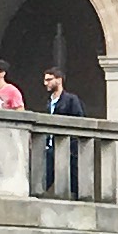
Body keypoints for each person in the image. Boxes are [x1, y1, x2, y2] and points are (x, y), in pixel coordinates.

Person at [37, 66, 86, 194]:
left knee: (72, 176)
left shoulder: (71, 99)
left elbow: (79, 119)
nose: (45, 83)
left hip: (68, 146)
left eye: (49, 79)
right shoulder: (49, 101)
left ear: (59, 80)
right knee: (46, 175)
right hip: (50, 145)